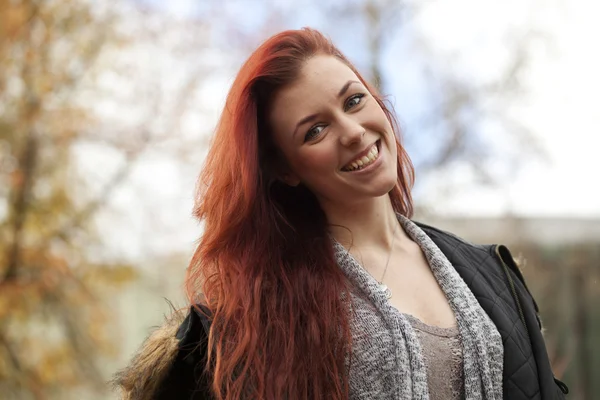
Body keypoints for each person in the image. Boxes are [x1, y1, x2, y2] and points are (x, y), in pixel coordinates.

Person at [113, 28, 568, 400]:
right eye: (315, 130)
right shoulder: (255, 315)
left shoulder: (491, 273)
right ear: (286, 170)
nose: (352, 132)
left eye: (353, 101)